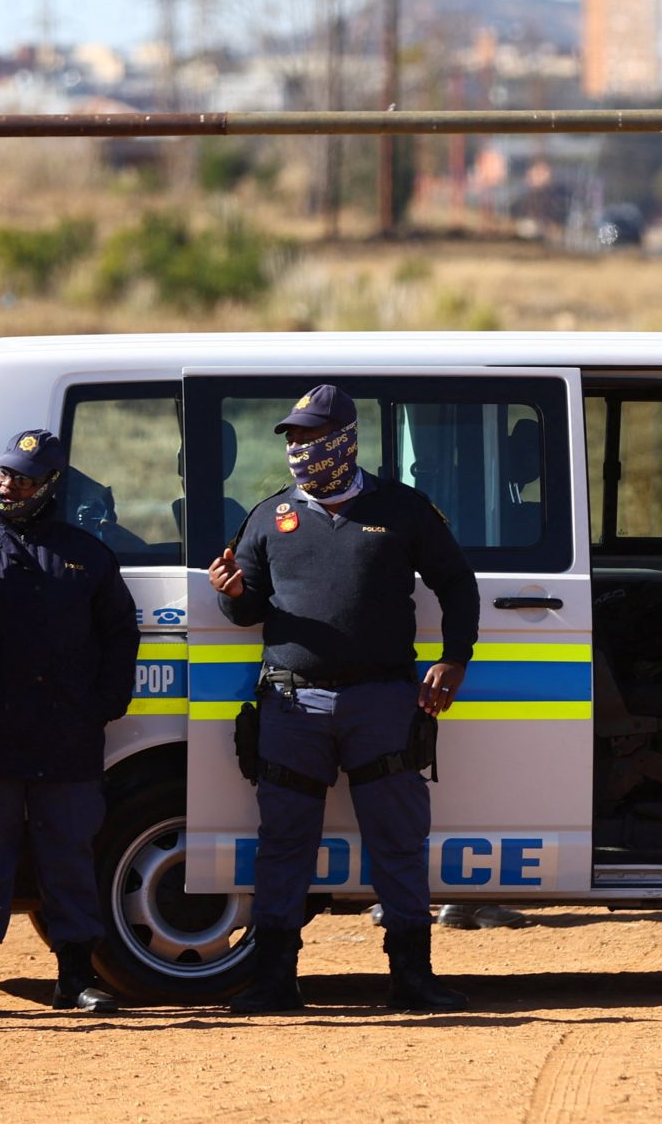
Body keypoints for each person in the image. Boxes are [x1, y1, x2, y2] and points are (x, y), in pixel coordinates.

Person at [208, 384, 479, 1014]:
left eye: (310, 438)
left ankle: (412, 979)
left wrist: (454, 658)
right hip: (291, 707)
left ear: (345, 440)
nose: (300, 451)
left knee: (398, 839)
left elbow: (457, 585)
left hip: (382, 703)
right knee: (283, 843)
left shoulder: (403, 509)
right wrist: (229, 591)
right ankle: (275, 981)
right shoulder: (270, 516)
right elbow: (246, 609)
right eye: (293, 440)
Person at [0, 428, 139, 1017]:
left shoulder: (86, 554)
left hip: (66, 740)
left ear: (50, 486)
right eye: (5, 475)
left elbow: (120, 633)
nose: (9, 486)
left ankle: (75, 979)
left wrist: (104, 704)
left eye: (24, 479)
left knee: (70, 859)